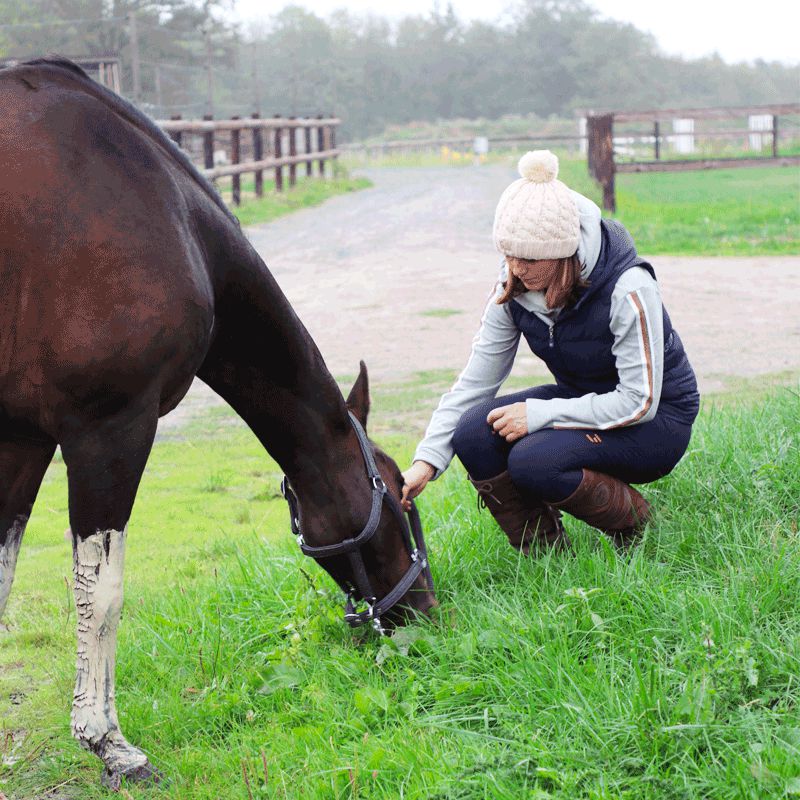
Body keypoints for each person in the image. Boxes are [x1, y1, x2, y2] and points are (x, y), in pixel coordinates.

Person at [401, 150, 700, 553]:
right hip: (584, 402)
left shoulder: (629, 288)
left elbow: (640, 401)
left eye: (528, 258)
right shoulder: (514, 287)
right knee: (473, 431)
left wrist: (541, 415)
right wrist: (427, 460)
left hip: (655, 422)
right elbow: (476, 381)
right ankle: (545, 555)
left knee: (533, 459)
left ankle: (637, 529)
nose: (515, 268)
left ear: (564, 253)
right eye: (507, 254)